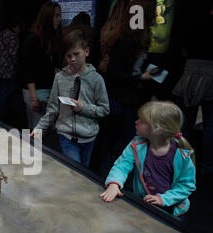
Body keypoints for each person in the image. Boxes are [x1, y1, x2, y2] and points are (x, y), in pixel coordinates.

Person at [100, 101, 196, 217]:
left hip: (172, 211)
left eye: (141, 121)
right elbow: (122, 166)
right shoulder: (136, 145)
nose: (136, 122)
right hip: (144, 204)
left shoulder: (182, 155)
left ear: (157, 130)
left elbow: (186, 185)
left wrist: (163, 199)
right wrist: (114, 184)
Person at [30, 29, 109, 167]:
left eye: (76, 54)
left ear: (87, 52)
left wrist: (83, 108)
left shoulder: (96, 79)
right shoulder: (60, 77)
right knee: (75, 171)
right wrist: (39, 129)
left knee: (84, 173)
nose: (72, 59)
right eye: (68, 56)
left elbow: (104, 109)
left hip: (88, 138)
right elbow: (53, 109)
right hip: (66, 136)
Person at [99, 0, 158, 168]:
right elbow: (114, 73)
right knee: (115, 144)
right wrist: (141, 78)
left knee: (127, 145)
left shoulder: (140, 41)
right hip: (120, 102)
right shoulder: (125, 41)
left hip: (132, 102)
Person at [172, 3, 213, 184]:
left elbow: (180, 43)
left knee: (183, 123)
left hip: (190, 67)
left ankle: (180, 163)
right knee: (210, 126)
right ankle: (206, 169)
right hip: (211, 69)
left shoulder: (191, 15)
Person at [21, 1, 64, 129]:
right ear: (47, 17)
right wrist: (34, 97)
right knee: (37, 129)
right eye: (56, 16)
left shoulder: (51, 38)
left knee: (43, 129)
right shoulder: (33, 39)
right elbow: (27, 70)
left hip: (47, 90)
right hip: (35, 91)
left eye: (60, 15)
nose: (59, 19)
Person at [0, 16, 22, 121]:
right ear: (16, 27)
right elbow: (13, 54)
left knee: (3, 89)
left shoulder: (2, 33)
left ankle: (1, 112)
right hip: (7, 68)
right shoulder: (13, 37)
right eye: (19, 28)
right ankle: (4, 114)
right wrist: (18, 66)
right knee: (8, 90)